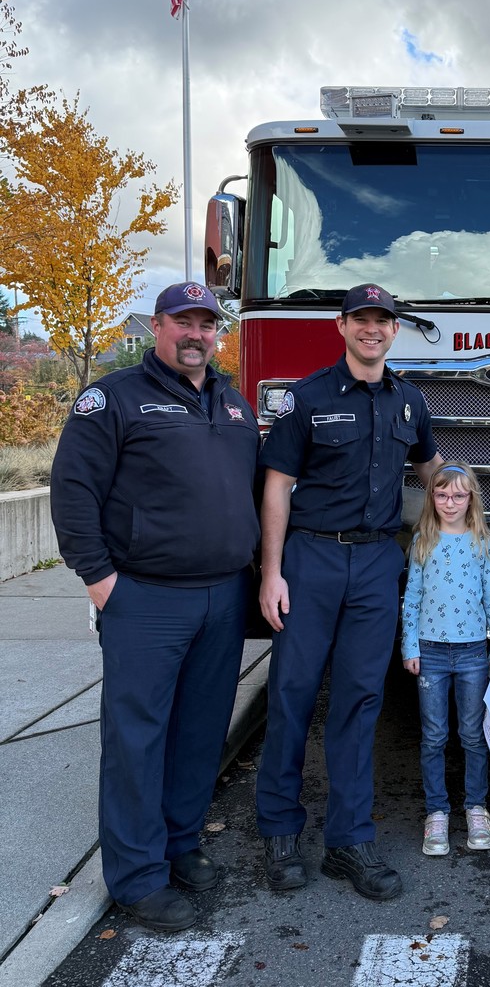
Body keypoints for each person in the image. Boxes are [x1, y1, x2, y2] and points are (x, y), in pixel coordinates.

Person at [49, 281, 260, 932]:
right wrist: (101, 580)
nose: (196, 334)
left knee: (200, 730)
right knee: (137, 738)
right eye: (183, 321)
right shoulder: (113, 398)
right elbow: (73, 490)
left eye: (207, 323)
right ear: (159, 325)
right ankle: (138, 877)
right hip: (144, 597)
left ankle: (178, 843)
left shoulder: (234, 405)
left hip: (223, 595)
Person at [256, 283, 441, 900]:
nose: (372, 329)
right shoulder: (307, 398)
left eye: (382, 320)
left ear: (395, 330)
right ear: (341, 326)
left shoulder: (409, 402)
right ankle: (279, 833)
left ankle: (348, 841)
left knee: (361, 701)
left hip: (376, 563)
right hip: (311, 560)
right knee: (292, 696)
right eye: (360, 319)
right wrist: (272, 572)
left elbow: (430, 471)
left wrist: (463, 517)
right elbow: (277, 487)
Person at [401, 462, 490, 856]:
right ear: (431, 497)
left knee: (472, 735)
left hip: (473, 653)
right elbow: (411, 599)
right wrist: (409, 647)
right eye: (442, 494)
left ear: (471, 498)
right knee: (433, 735)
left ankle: (476, 807)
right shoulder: (423, 540)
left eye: (458, 495)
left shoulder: (482, 542)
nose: (450, 502)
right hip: (430, 652)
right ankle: (437, 812)